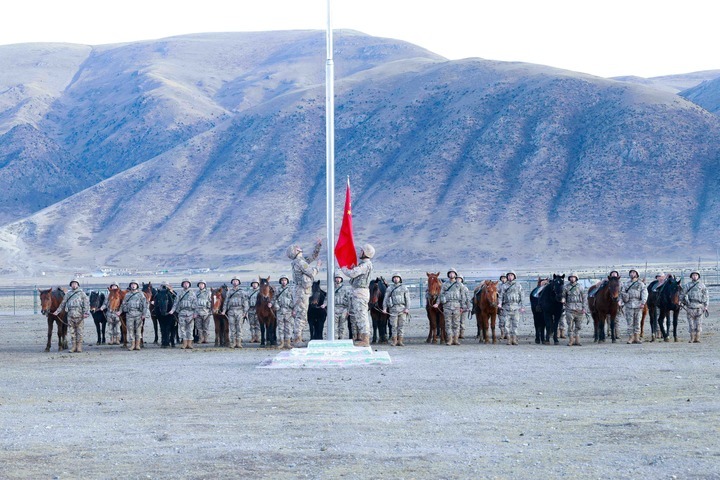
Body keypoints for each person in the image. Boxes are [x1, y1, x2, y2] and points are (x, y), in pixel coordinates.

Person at [288, 240, 322, 346]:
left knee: (301, 315)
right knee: (301, 316)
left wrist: (318, 246)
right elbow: (311, 272)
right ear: (295, 251)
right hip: (302, 292)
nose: (300, 248)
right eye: (297, 248)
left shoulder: (300, 261)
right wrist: (318, 266)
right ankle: (297, 339)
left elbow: (312, 257)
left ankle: (298, 338)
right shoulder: (300, 262)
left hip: (302, 291)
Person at [341, 244, 375, 347]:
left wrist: (344, 268)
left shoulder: (365, 265)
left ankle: (365, 339)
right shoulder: (364, 264)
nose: (359, 253)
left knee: (361, 316)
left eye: (361, 251)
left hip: (360, 292)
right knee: (360, 316)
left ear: (366, 253)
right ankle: (364, 338)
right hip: (359, 291)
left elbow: (353, 274)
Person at [53, 278, 90, 353]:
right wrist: (57, 311)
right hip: (70, 315)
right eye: (73, 284)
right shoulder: (68, 294)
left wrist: (86, 313)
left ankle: (79, 347)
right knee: (72, 332)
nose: (74, 285)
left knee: (79, 332)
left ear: (78, 285)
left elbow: (86, 304)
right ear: (71, 285)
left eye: (75, 283)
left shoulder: (82, 294)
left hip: (79, 315)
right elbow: (63, 304)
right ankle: (73, 346)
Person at [434, 268, 464, 345]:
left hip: (456, 306)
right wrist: (437, 303)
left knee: (456, 324)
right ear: (448, 275)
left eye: (453, 273)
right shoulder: (445, 285)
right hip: (447, 306)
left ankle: (456, 339)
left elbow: (462, 296)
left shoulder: (459, 285)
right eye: (450, 273)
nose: (451, 274)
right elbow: (440, 295)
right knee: (448, 324)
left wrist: (462, 307)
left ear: (455, 275)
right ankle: (449, 340)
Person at [120, 280, 150, 351]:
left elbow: (145, 305)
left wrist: (144, 314)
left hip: (138, 314)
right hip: (129, 314)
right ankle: (132, 345)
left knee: (138, 330)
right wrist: (120, 311)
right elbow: (123, 304)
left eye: (135, 284)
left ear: (137, 286)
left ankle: (137, 345)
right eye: (132, 284)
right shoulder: (127, 295)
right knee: (130, 330)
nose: (133, 286)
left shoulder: (141, 294)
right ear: (130, 286)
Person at [383, 272, 410, 346]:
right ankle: (394, 340)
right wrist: (384, 308)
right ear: (393, 279)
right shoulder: (390, 288)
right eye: (395, 278)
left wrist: (407, 308)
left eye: (397, 278)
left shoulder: (404, 288)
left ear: (400, 279)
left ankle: (400, 341)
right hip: (393, 309)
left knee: (401, 325)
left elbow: (407, 299)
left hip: (402, 309)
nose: (396, 279)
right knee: (394, 326)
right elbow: (385, 299)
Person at [169, 278, 197, 349]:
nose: (186, 284)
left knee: (190, 329)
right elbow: (176, 303)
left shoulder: (193, 293)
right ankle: (184, 343)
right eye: (184, 283)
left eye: (187, 283)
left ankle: (189, 343)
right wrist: (172, 310)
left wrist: (195, 313)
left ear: (189, 284)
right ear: (182, 284)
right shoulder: (179, 293)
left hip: (190, 313)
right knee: (182, 329)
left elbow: (196, 304)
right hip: (181, 313)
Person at [681, 271, 709, 343]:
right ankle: (692, 338)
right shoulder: (687, 285)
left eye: (696, 275)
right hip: (690, 307)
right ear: (691, 276)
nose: (694, 276)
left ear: (698, 276)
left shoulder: (702, 285)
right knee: (691, 324)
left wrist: (706, 306)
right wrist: (682, 302)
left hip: (699, 307)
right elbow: (682, 294)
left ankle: (697, 338)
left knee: (699, 324)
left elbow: (706, 296)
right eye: (693, 275)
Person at [222, 276, 249, 348]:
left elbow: (245, 302)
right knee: (232, 327)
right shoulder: (229, 292)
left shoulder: (242, 292)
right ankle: (233, 342)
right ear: (232, 282)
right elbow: (226, 302)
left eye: (236, 281)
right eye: (233, 281)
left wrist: (245, 312)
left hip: (240, 310)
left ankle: (239, 342)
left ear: (239, 282)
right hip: (231, 311)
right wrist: (224, 310)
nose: (235, 282)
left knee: (239, 327)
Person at [498, 271, 524, 345]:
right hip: (506, 306)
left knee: (515, 324)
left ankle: (514, 339)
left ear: (514, 277)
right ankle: (509, 339)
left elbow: (522, 296)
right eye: (509, 275)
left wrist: (522, 307)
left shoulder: (518, 285)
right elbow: (501, 296)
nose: (510, 277)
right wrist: (499, 303)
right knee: (507, 324)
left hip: (515, 306)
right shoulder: (504, 286)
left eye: (512, 275)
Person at [622, 269, 647, 344]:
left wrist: (643, 303)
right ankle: (631, 337)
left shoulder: (641, 284)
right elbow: (622, 292)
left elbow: (644, 293)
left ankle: (637, 337)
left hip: (638, 305)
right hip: (629, 304)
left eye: (634, 272)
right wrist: (621, 301)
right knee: (630, 322)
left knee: (637, 322)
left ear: (637, 274)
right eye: (631, 273)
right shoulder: (626, 284)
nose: (632, 274)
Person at [562, 273, 586, 346]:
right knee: (570, 325)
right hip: (569, 308)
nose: (572, 279)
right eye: (571, 277)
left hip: (579, 309)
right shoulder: (566, 287)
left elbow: (584, 298)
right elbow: (563, 296)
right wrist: (563, 300)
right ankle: (571, 340)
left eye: (574, 277)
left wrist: (584, 308)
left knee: (578, 326)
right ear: (569, 278)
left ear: (576, 278)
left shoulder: (580, 287)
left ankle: (577, 340)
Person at [274, 275, 295, 349]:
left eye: (285, 280)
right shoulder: (277, 290)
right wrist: (276, 306)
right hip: (280, 311)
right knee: (280, 328)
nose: (283, 282)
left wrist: (294, 309)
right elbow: (274, 299)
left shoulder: (291, 290)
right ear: (280, 281)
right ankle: (281, 343)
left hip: (289, 311)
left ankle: (288, 343)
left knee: (288, 328)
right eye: (282, 280)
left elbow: (294, 300)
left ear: (287, 281)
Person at [332, 272, 350, 341]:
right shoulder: (332, 288)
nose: (338, 279)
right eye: (336, 278)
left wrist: (348, 310)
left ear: (341, 279)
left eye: (339, 278)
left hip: (343, 309)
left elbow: (348, 300)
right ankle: (335, 339)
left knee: (342, 325)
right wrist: (324, 304)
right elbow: (327, 298)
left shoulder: (345, 289)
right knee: (334, 326)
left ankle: (341, 338)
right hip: (335, 309)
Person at [457, 274, 471, 339]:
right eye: (457, 278)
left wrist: (469, 307)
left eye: (460, 279)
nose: (458, 280)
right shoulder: (454, 287)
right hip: (456, 307)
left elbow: (468, 298)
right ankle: (456, 334)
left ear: (462, 280)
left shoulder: (465, 288)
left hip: (464, 307)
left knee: (462, 321)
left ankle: (461, 334)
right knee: (456, 321)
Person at [497, 275, 509, 339]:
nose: (503, 279)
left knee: (507, 320)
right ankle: (502, 333)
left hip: (508, 305)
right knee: (501, 320)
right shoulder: (499, 286)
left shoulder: (509, 285)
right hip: (500, 305)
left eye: (504, 278)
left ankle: (507, 334)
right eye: (502, 278)